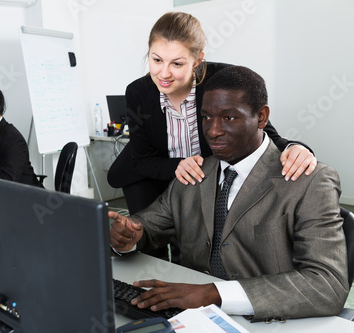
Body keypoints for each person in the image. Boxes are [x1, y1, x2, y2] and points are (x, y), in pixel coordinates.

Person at [109, 66, 349, 321]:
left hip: (267, 320)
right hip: (193, 318)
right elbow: (147, 225)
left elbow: (327, 284)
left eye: (228, 118)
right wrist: (128, 236)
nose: (213, 131)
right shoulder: (194, 173)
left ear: (261, 117)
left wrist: (215, 294)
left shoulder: (310, 181)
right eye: (206, 117)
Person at [108, 12, 317, 227]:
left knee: (194, 239)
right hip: (150, 173)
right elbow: (141, 159)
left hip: (202, 175)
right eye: (157, 60)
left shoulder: (222, 81)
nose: (164, 73)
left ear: (198, 60)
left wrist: (294, 148)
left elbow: (262, 131)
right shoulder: (138, 92)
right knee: (146, 236)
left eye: (177, 64)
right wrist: (177, 166)